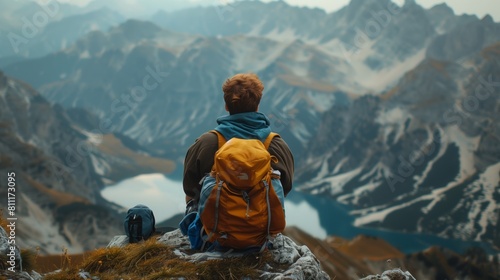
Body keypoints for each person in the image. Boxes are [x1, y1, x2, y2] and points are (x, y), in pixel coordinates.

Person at [182, 73, 294, 214]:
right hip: (261, 230)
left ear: (226, 106)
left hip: (212, 231)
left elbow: (190, 190)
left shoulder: (206, 143)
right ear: (257, 105)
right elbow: (285, 188)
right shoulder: (276, 145)